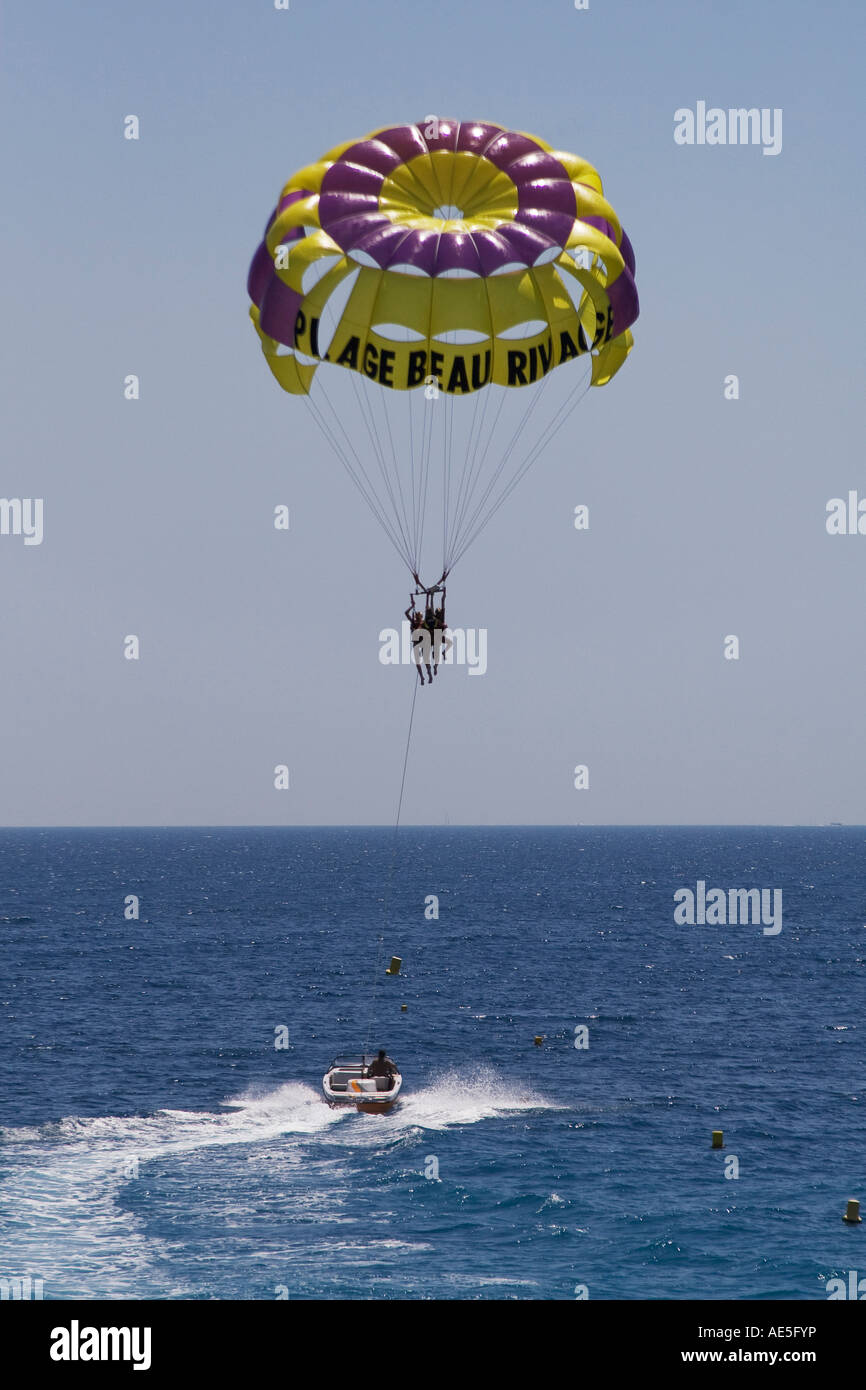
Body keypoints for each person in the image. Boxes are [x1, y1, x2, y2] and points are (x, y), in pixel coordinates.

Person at [405, 598, 431, 684]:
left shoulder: (423, 623)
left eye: (419, 617)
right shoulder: (414, 622)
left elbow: (429, 615)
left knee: (426, 659)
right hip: (416, 641)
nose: (419, 618)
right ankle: (422, 677)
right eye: (418, 617)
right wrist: (412, 606)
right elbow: (406, 613)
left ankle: (429, 673)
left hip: (423, 641)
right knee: (417, 662)